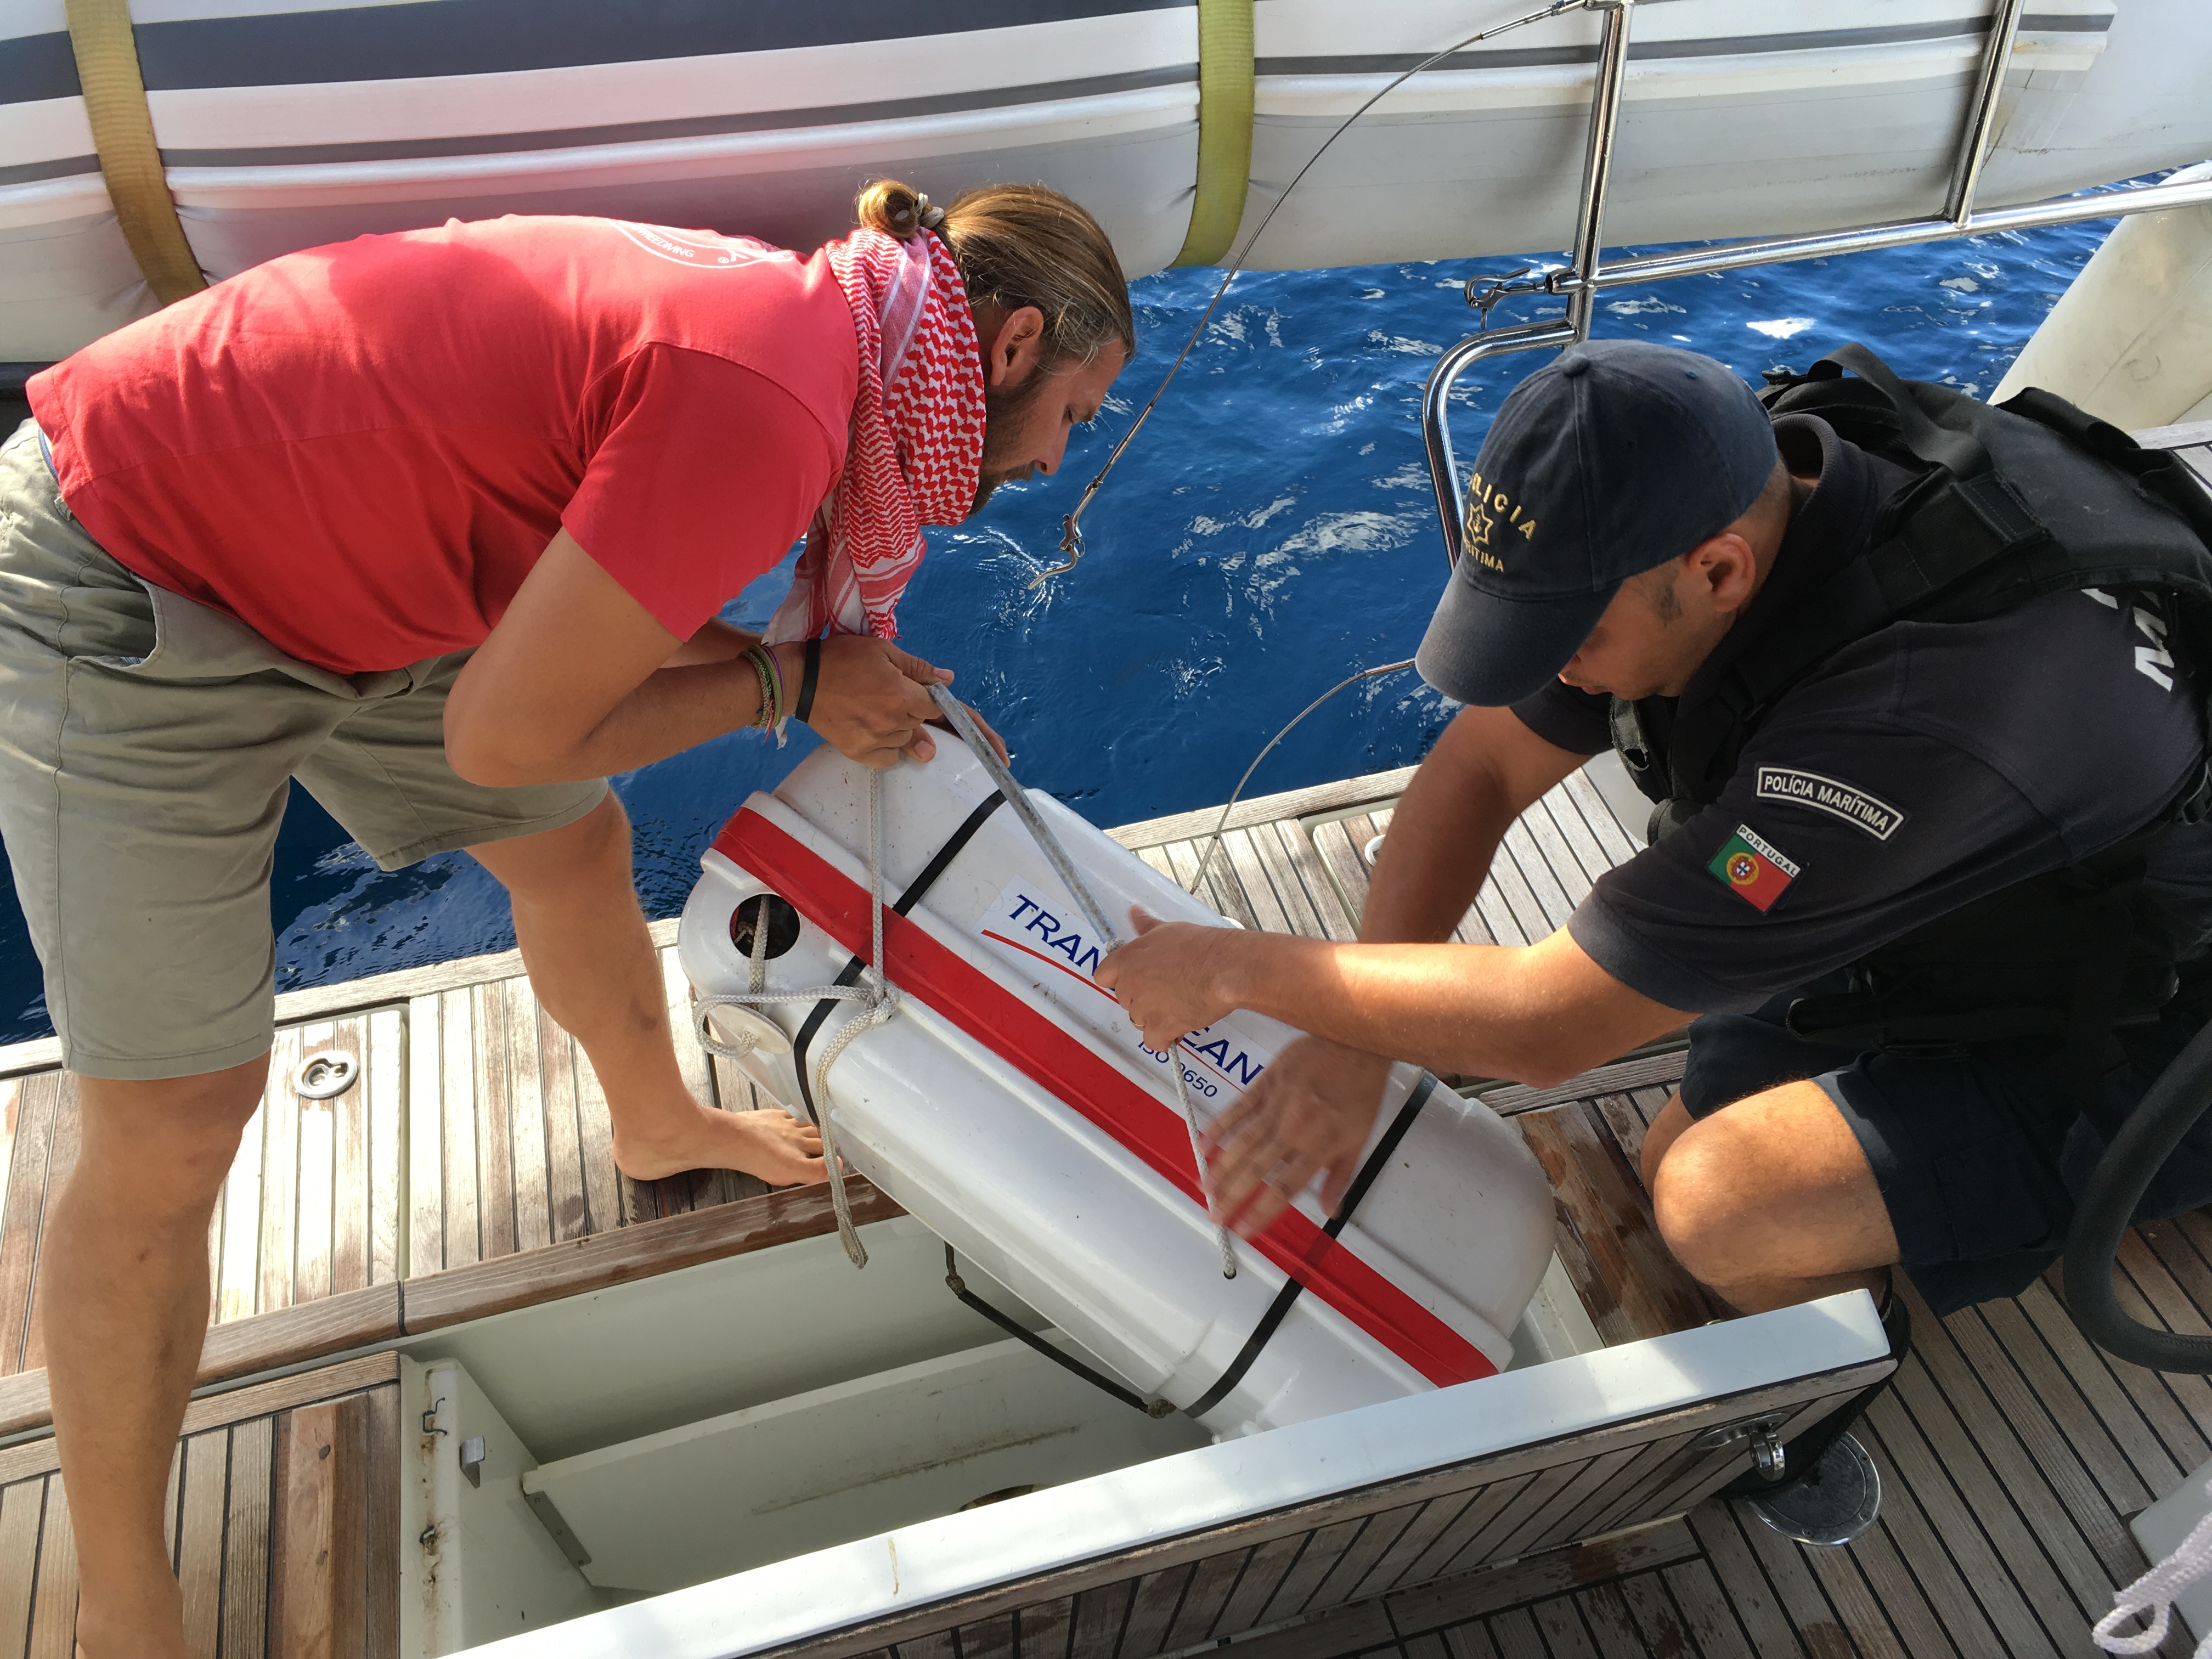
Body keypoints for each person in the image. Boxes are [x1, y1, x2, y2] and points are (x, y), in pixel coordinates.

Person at [0, 178, 1131, 1658]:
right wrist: (792, 684)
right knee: (177, 1121)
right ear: (1013, 345)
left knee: (573, 847)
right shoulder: (774, 411)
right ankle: (124, 1612)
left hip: (369, 557)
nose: (1055, 460)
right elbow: (503, 738)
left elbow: (612, 584)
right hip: (129, 562)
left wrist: (791, 673)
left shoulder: (825, 331)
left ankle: (653, 1122)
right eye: (1074, 416)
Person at [1098, 338, 2212, 1379]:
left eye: (1574, 638)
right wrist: (1353, 1038)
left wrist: (1232, 966)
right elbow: (1482, 764)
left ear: (1721, 573)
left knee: (1719, 1204)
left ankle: (1837, 1385)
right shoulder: (1736, 491)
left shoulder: (1907, 724)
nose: (1556, 672)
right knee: (1680, 1131)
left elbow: (1548, 1027)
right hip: (1982, 900)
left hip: (2148, 1022)